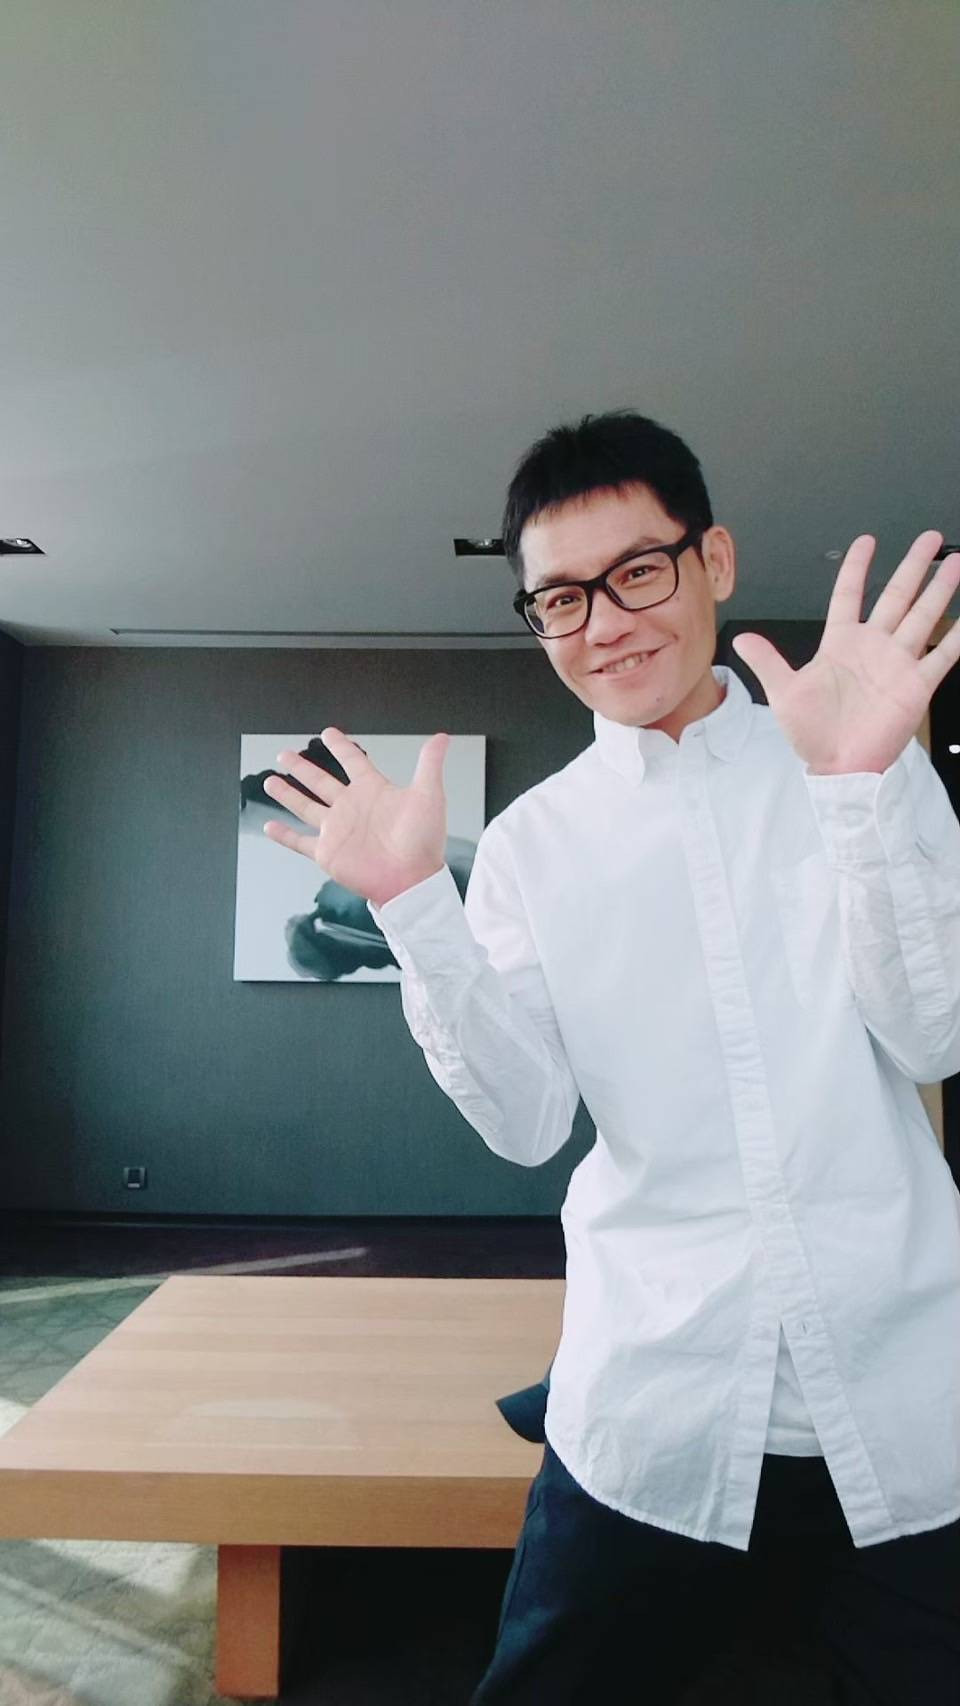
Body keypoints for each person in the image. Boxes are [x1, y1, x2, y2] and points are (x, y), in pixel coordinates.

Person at [261, 410, 960, 1703]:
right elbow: (528, 1121)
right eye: (561, 599)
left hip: (907, 1388)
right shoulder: (535, 844)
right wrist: (414, 910)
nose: (605, 624)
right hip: (653, 1395)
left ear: (714, 561)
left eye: (639, 571)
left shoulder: (853, 758)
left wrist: (864, 791)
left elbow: (935, 1033)